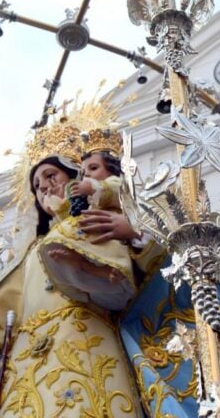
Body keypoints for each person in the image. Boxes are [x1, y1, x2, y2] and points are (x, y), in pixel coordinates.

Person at [0, 119, 220, 418]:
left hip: (90, 353)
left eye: (51, 175)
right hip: (23, 373)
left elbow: (163, 259)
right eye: (36, 185)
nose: (44, 186)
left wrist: (132, 232)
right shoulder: (29, 257)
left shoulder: (106, 213)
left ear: (74, 175)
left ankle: (83, 272)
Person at [38, 128, 136, 310]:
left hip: (112, 234)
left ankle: (109, 271)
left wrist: (93, 188)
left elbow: (119, 192)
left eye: (93, 168)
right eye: (83, 173)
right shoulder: (86, 198)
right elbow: (71, 215)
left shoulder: (115, 183)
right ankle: (90, 268)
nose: (87, 175)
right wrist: (58, 204)